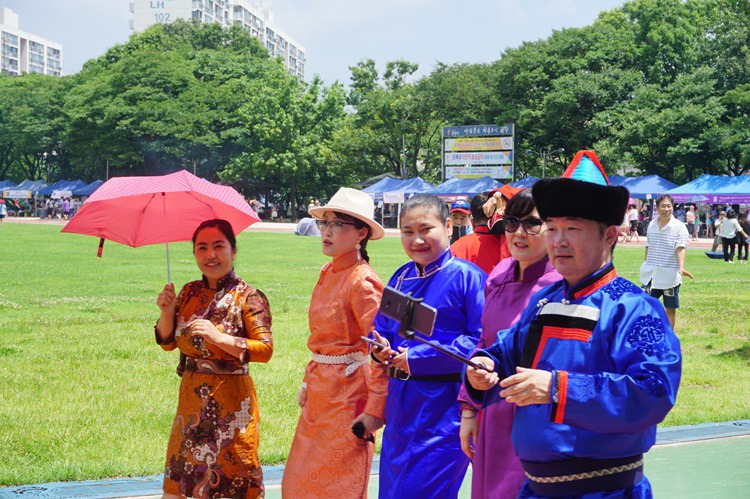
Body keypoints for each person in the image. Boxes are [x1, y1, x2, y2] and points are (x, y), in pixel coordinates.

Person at [464, 150, 682, 499]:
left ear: (609, 235)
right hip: (534, 489)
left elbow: (653, 392)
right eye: (552, 229)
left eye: (573, 229)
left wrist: (556, 388)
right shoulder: (545, 301)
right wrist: (485, 369)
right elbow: (505, 353)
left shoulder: (634, 308)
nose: (558, 241)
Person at [369, 193, 486, 498]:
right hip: (401, 406)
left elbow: (480, 339)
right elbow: (382, 327)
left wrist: (418, 357)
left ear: (448, 227)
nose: (416, 240)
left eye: (425, 229)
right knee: (393, 490)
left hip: (443, 409)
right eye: (407, 232)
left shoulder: (468, 278)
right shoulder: (401, 276)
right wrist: (378, 346)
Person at [155, 219, 273, 498]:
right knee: (180, 484)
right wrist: (167, 311)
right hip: (191, 406)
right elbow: (168, 342)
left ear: (233, 250)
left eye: (219, 246)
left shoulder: (249, 297)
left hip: (232, 408)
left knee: (232, 480)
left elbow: (265, 350)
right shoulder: (188, 292)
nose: (210, 255)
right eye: (202, 247)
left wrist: (219, 338)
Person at [283, 188, 388, 497]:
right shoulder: (327, 271)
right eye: (324, 223)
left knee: (339, 484)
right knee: (298, 484)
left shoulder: (362, 281)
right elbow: (320, 338)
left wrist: (376, 409)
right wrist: (308, 379)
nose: (327, 232)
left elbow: (382, 351)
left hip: (348, 396)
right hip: (318, 392)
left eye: (338, 224)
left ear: (361, 233)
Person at [457, 188, 561, 498]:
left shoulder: (562, 284)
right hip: (492, 411)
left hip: (536, 418)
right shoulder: (500, 273)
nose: (518, 232)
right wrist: (469, 410)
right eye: (512, 222)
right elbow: (483, 342)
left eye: (532, 223)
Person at [640, 194, 693, 330]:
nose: (666, 209)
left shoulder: (679, 227)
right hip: (651, 273)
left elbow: (680, 248)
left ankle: (669, 336)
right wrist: (646, 263)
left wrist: (681, 267)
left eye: (669, 206)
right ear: (657, 208)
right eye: (663, 206)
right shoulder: (652, 224)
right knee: (645, 304)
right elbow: (649, 245)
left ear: (672, 207)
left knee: (670, 308)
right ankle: (649, 332)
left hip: (669, 275)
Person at [450, 191, 512, 274]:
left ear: (471, 220)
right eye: (455, 217)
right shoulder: (515, 245)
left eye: (463, 218)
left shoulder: (456, 247)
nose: (458, 222)